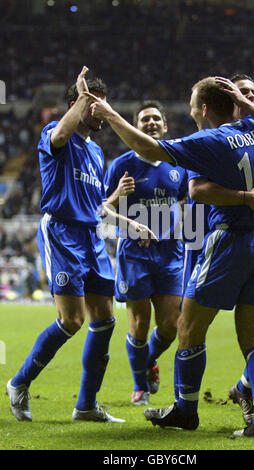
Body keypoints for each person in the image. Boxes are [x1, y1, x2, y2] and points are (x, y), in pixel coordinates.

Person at [84, 75, 254, 439]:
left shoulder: (210, 138)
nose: (191, 109)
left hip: (230, 238)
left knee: (189, 327)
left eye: (193, 103)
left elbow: (150, 151)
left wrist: (111, 114)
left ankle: (185, 409)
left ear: (205, 108)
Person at [6, 67, 155, 423]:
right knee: (71, 320)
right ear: (78, 103)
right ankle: (19, 382)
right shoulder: (56, 135)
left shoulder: (96, 154)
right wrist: (82, 98)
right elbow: (59, 133)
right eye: (95, 105)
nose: (102, 113)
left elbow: (97, 209)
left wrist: (129, 221)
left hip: (91, 236)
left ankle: (86, 405)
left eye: (104, 105)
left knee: (104, 320)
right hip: (62, 234)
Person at [187, 73, 254, 426]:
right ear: (229, 102)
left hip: (249, 236)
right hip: (218, 235)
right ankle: (193, 403)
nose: (251, 99)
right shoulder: (217, 138)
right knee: (197, 326)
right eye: (244, 93)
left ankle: (245, 387)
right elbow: (196, 191)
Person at [104, 100, 187, 406]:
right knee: (139, 323)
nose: (150, 123)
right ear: (135, 128)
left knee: (171, 324)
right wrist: (119, 201)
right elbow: (102, 211)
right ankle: (140, 386)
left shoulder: (178, 164)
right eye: (144, 120)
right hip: (134, 254)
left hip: (171, 253)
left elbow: (183, 203)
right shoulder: (121, 165)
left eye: (155, 119)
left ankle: (146, 361)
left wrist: (185, 231)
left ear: (165, 126)